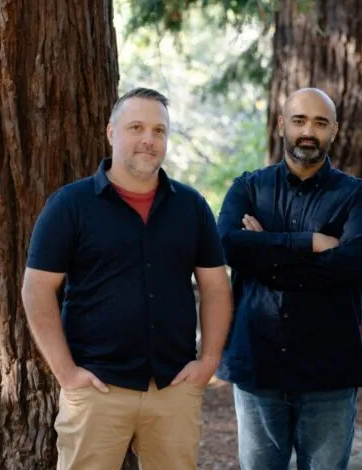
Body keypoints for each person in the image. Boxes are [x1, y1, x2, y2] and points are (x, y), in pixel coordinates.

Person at [21, 87, 232, 470]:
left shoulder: (191, 207)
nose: (149, 139)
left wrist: (209, 361)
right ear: (111, 132)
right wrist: (66, 373)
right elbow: (37, 290)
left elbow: (215, 287)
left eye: (159, 131)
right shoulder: (70, 205)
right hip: (96, 387)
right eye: (137, 127)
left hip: (174, 388)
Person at [216, 87, 362, 470]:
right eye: (299, 120)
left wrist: (265, 252)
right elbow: (226, 246)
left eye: (320, 123)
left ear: (334, 130)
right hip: (258, 366)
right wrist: (309, 243)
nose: (309, 131)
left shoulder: (357, 196)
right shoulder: (248, 188)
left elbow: (358, 263)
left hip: (329, 370)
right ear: (281, 126)